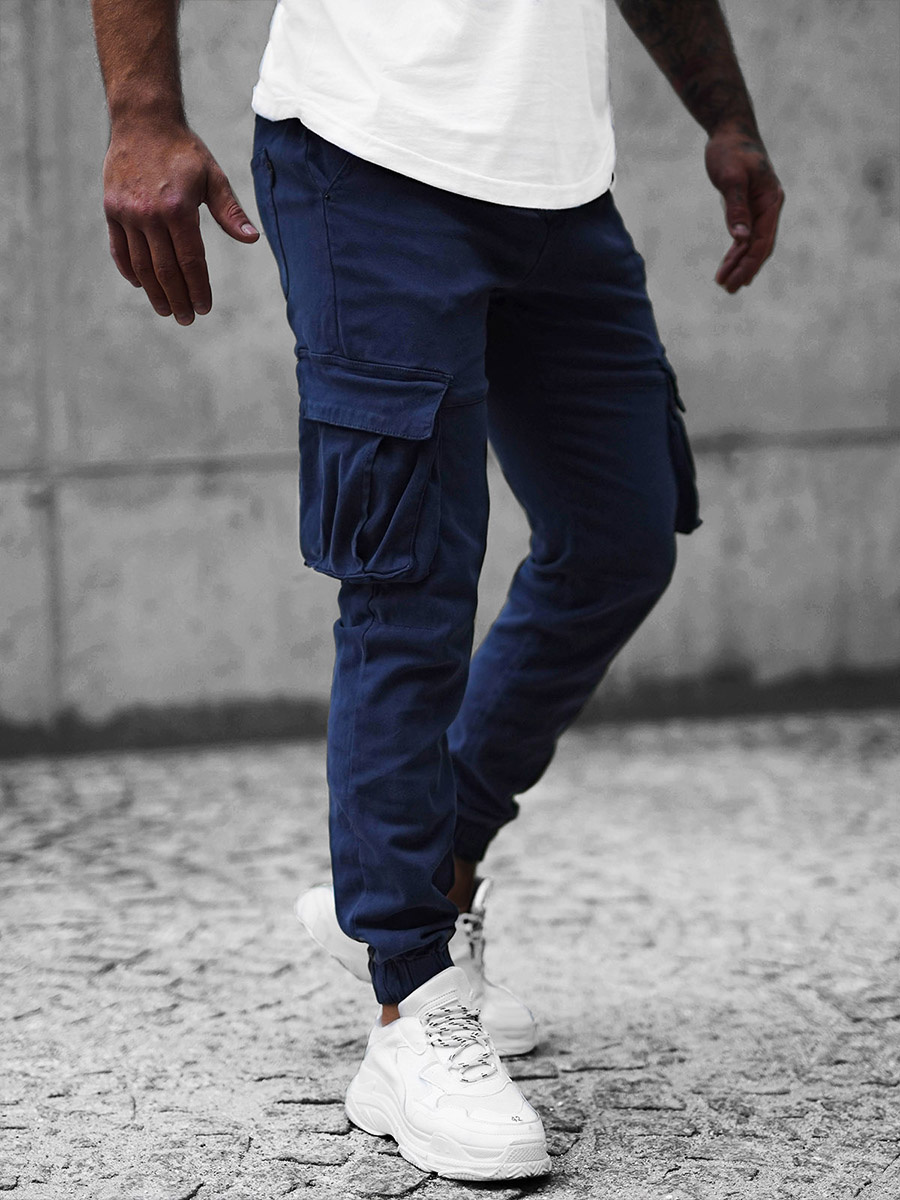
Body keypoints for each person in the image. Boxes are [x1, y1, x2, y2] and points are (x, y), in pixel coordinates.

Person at [91, 0, 784, 1182]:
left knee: (619, 538)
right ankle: (411, 1002)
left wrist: (726, 115)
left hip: (558, 181)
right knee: (407, 582)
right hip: (367, 155)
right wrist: (143, 112)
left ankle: (416, 867)